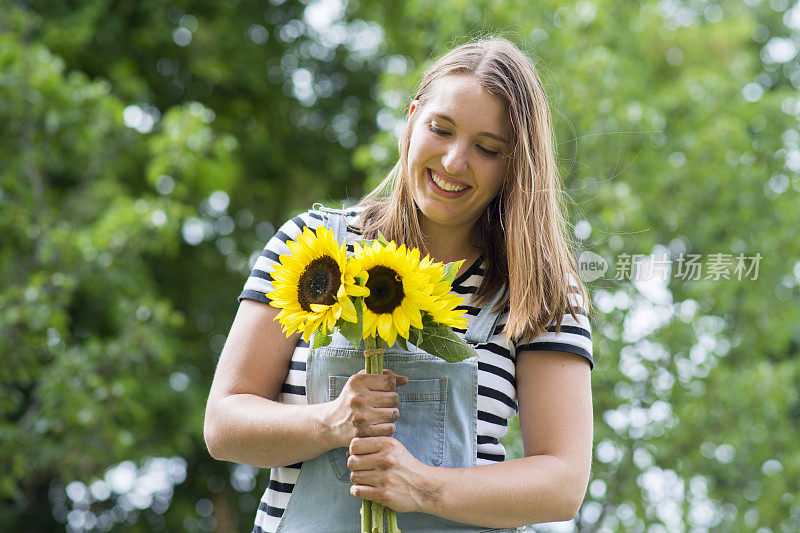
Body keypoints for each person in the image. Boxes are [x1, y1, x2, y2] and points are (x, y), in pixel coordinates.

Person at [204, 37, 594, 533]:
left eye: (487, 148)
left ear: (514, 165)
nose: (454, 162)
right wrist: (332, 421)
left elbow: (561, 484)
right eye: (441, 129)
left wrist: (423, 487)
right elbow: (224, 426)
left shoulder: (540, 290)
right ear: (411, 119)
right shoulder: (314, 246)